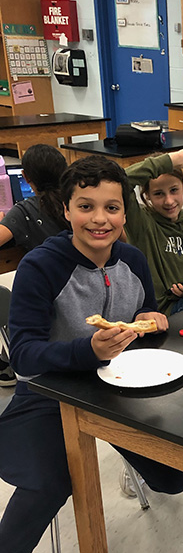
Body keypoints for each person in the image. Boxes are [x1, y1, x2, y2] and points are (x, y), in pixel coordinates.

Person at [0, 156, 183, 553]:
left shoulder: (132, 260)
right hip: (48, 392)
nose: (100, 219)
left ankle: (134, 467)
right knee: (54, 480)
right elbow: (22, 353)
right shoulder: (41, 266)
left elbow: (144, 314)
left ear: (126, 212)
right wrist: (84, 351)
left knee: (175, 476)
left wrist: (153, 320)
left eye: (111, 207)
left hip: (118, 390)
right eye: (86, 206)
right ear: (66, 209)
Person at [0, 145, 70, 388]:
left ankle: (5, 362)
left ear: (27, 178)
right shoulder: (78, 202)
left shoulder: (25, 210)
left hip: (46, 298)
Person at [124, 147, 183, 315]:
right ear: (147, 196)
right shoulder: (142, 223)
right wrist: (170, 160)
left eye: (174, 190)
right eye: (158, 194)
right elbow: (120, 180)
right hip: (169, 310)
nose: (169, 201)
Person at [0, 144, 69, 252]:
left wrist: (2, 220)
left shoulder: (24, 210)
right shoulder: (78, 200)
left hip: (48, 268)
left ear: (25, 176)